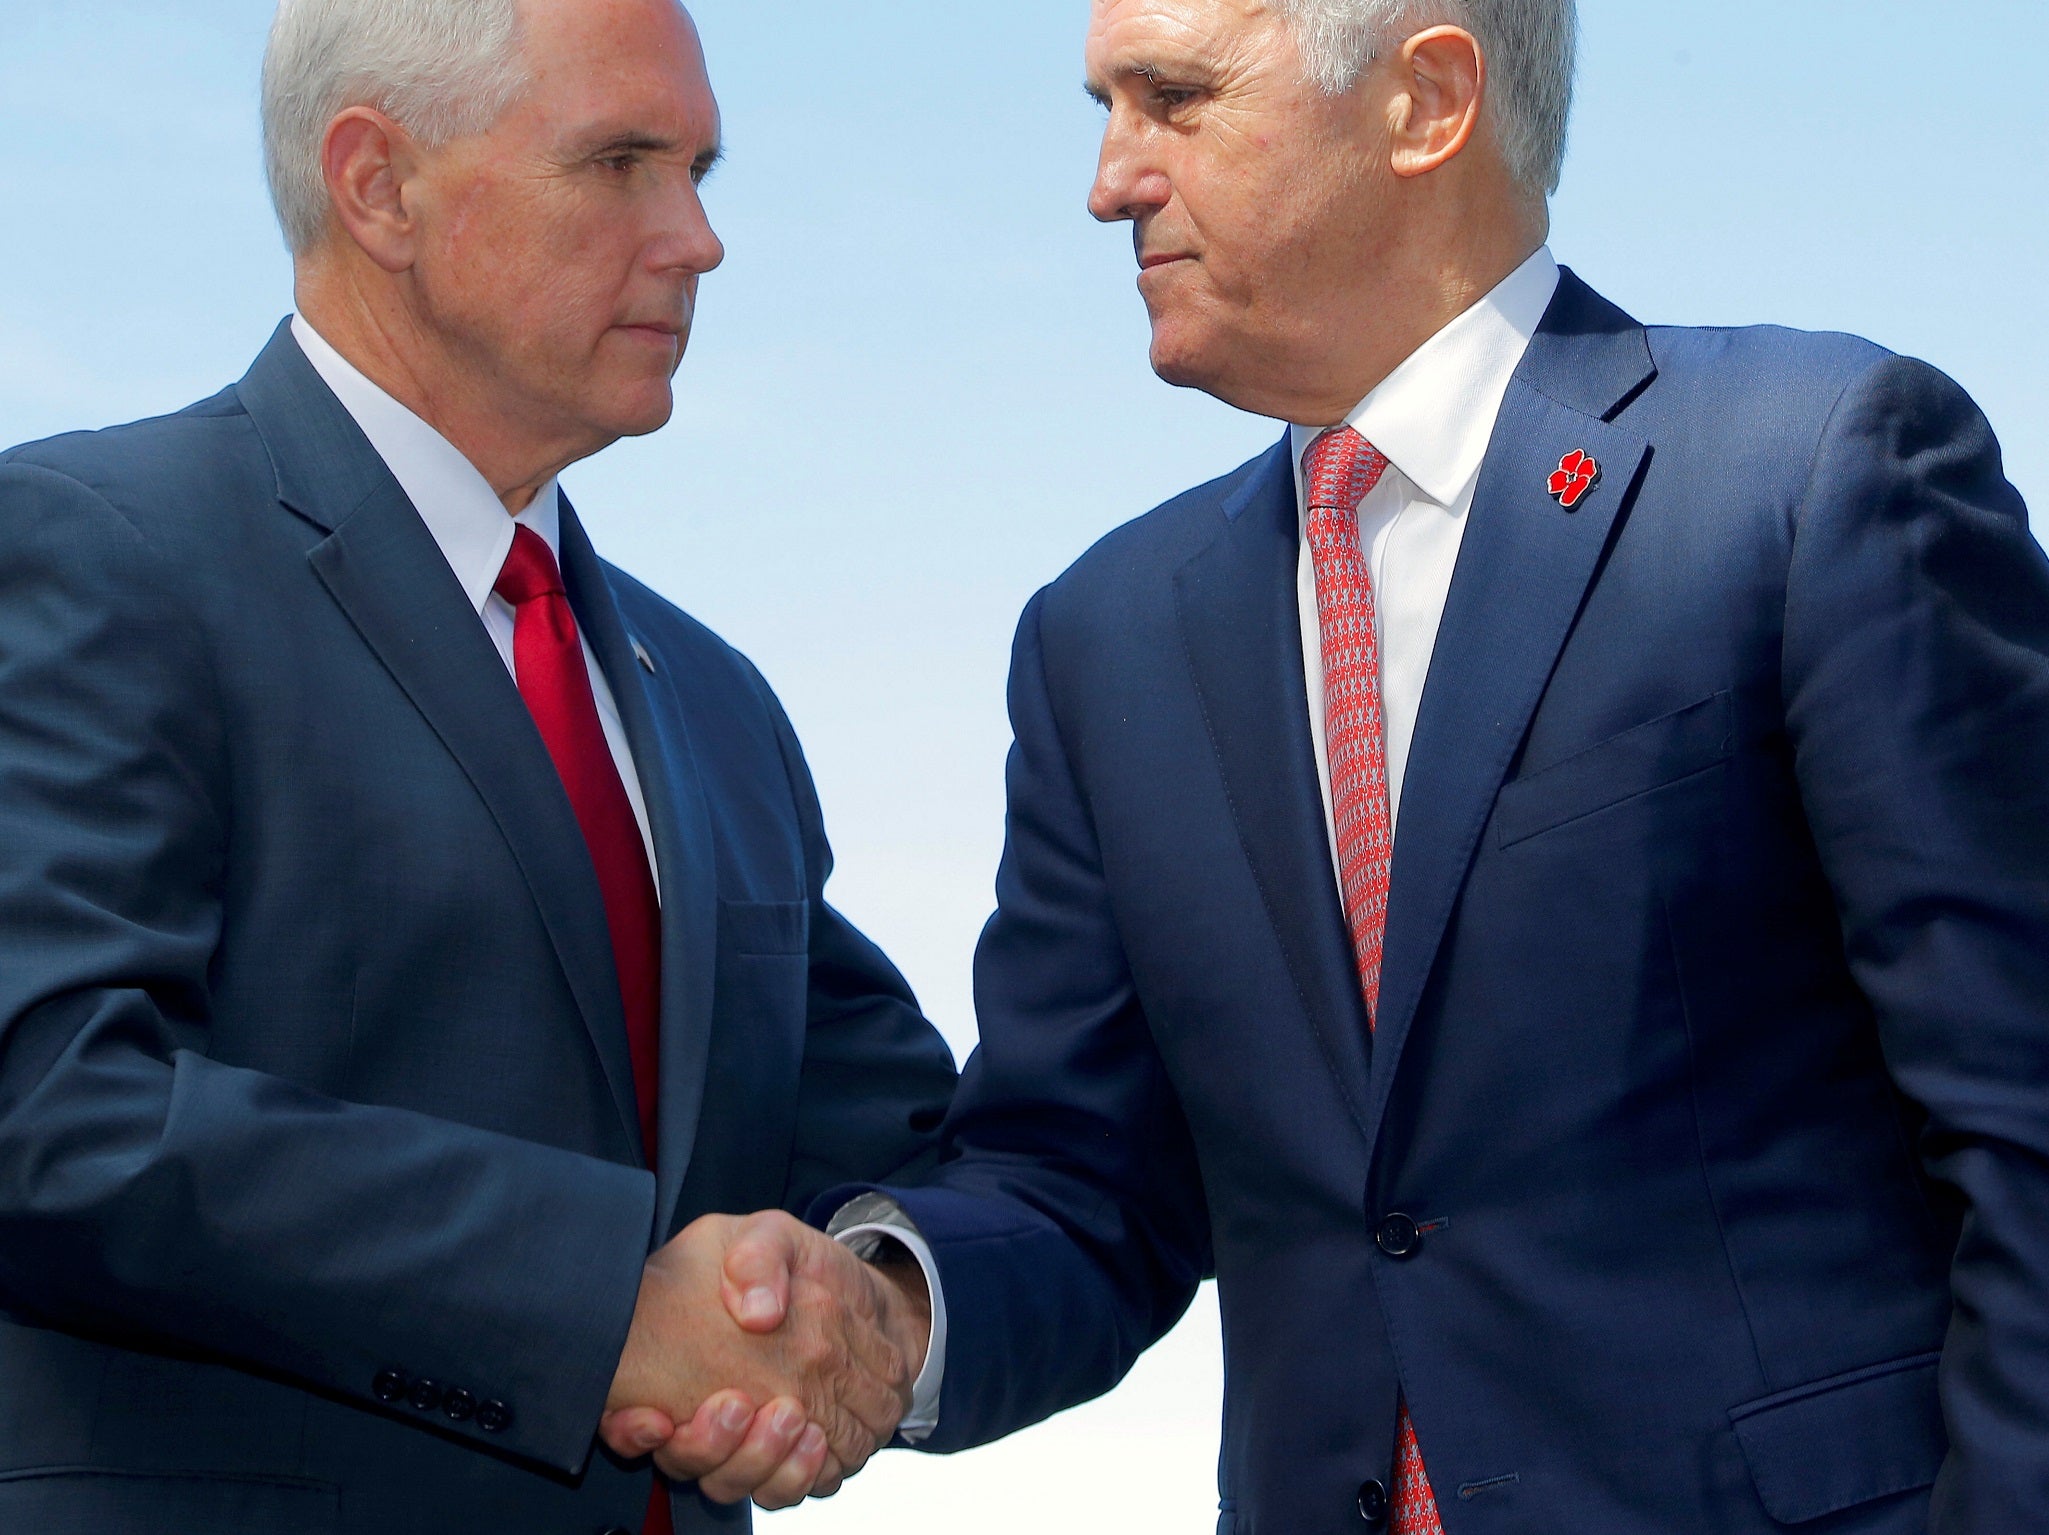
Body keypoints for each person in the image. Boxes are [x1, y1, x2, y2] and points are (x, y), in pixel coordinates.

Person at [716, 0, 2049, 1528]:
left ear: (1425, 102)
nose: (1108, 179)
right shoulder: (1101, 640)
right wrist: (881, 1309)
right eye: (1104, 106)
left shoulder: (1811, 476)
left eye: (1171, 99)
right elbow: (1081, 1177)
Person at [0, 0, 957, 1530]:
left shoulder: (715, 704)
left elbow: (903, 1149)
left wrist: (881, 1307)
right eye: (622, 163)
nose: (698, 239)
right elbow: (46, 1106)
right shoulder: (87, 550)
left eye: (701, 169)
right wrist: (599, 1303)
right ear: (377, 184)